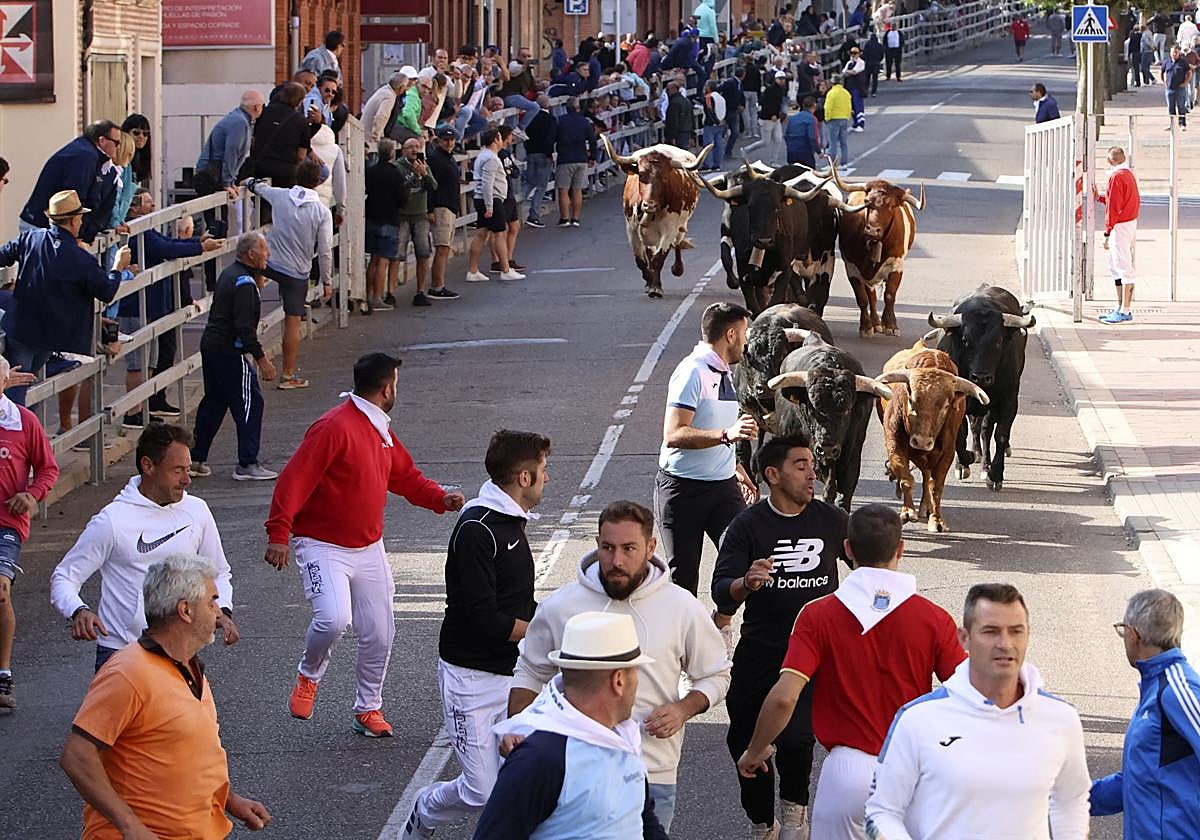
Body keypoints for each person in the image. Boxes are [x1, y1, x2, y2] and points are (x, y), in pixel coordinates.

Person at [265, 353, 465, 737]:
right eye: (396, 385)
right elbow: (293, 480)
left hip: (368, 547)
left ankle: (368, 707)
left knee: (380, 632)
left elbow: (404, 477)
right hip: (322, 546)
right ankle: (309, 675)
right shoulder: (333, 428)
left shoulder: (379, 428)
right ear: (387, 387)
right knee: (333, 618)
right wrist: (279, 534)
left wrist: (439, 498)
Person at [736, 504, 964, 839]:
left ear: (847, 549)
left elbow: (785, 697)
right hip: (911, 770)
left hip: (846, 774)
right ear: (900, 549)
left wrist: (755, 751)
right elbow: (969, 696)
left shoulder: (817, 615)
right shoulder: (934, 618)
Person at [508, 501, 732, 832]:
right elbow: (529, 670)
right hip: (574, 771)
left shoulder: (681, 607)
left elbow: (716, 674)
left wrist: (684, 708)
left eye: (629, 549)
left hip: (652, 773)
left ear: (650, 547)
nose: (616, 561)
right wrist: (517, 727)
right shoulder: (562, 606)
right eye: (607, 548)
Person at [402, 431, 551, 839]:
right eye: (543, 470)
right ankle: (424, 810)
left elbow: (518, 603)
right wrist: (543, 635)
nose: (546, 479)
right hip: (471, 678)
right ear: (523, 478)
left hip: (515, 676)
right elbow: (484, 617)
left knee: (522, 779)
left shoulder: (511, 523)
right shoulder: (477, 529)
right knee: (481, 790)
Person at [59, 555, 270, 838]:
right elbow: (76, 756)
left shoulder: (189, 667)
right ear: (185, 610)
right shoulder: (128, 673)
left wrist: (230, 800)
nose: (218, 613)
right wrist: (130, 825)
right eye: (211, 602)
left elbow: (186, 754)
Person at [864, 583, 1090, 839]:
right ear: (964, 638)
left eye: (1016, 631)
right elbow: (881, 812)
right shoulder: (918, 719)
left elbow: (1071, 800)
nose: (1005, 644)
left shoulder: (1061, 719)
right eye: (991, 631)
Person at [712, 434, 846, 840]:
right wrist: (745, 583)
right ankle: (761, 822)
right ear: (773, 474)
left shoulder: (830, 519)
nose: (812, 473)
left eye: (812, 464)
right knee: (744, 737)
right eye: (801, 465)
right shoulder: (747, 526)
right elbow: (721, 588)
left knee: (796, 737)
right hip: (762, 648)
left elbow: (869, 559)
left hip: (813, 652)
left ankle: (794, 814)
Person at [50, 423, 239, 671]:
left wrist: (222, 609)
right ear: (148, 466)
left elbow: (219, 572)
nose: (187, 479)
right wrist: (78, 611)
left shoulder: (197, 510)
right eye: (178, 470)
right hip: (122, 656)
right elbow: (64, 577)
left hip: (180, 653)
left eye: (188, 469)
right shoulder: (112, 521)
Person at [476, 612, 668, 839]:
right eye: (636, 673)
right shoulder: (541, 757)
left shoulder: (623, 740)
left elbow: (643, 821)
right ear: (619, 680)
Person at [656, 302, 758, 643]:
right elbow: (675, 434)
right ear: (730, 334)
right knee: (684, 582)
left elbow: (714, 424)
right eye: (744, 334)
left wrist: (736, 466)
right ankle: (684, 661)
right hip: (683, 491)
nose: (746, 342)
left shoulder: (725, 371)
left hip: (722, 488)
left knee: (746, 561)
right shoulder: (693, 372)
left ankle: (720, 624)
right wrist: (727, 435)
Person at [0, 190, 131, 405]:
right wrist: (117, 266)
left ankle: (21, 434)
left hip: (22, 328)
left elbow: (3, 255)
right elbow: (107, 291)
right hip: (52, 336)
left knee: (18, 387)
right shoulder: (79, 258)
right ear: (72, 221)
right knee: (22, 389)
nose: (81, 222)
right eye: (80, 217)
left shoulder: (31, 238)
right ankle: (20, 435)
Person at [1091, 589, 1200, 837]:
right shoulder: (1156, 688)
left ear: (1133, 635)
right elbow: (1137, 781)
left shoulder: (1177, 690)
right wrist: (1070, 798)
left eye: (1122, 630)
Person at [189, 232, 277, 481]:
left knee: (215, 403)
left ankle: (196, 458)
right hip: (230, 349)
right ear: (251, 254)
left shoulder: (230, 274)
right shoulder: (245, 283)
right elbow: (244, 328)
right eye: (264, 250)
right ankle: (247, 463)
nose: (268, 254)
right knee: (251, 404)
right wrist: (262, 360)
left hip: (211, 345)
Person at [0, 357, 58, 709]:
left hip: (6, 523)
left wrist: (31, 494)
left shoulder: (22, 421)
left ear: (5, 380)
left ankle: (3, 673)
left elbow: (48, 469)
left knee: (1, 592)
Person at [246, 158, 333, 388]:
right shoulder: (322, 212)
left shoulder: (281, 195)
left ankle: (257, 286)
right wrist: (326, 280)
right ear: (318, 182)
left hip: (271, 261)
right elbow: (325, 251)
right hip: (298, 271)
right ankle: (287, 374)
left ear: (297, 176)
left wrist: (249, 182)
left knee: (255, 273)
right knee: (293, 321)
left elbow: (258, 187)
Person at [18, 121, 121, 244]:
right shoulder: (85, 157)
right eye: (116, 143)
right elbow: (74, 199)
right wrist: (75, 237)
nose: (118, 147)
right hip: (43, 228)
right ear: (102, 140)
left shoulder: (88, 153)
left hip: (47, 227)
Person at [465, 129, 523, 283]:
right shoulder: (490, 158)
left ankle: (473, 270)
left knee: (482, 233)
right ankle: (505, 269)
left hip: (484, 198)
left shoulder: (484, 156)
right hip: (491, 199)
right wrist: (490, 206)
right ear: (495, 140)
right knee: (499, 232)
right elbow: (487, 183)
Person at [1096, 145, 1140, 324]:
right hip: (1129, 223)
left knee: (1121, 265)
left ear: (1109, 160)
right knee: (1117, 265)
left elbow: (1113, 206)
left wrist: (1107, 231)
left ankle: (1125, 309)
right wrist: (1100, 197)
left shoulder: (1116, 177)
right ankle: (1120, 307)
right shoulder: (1128, 175)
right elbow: (1120, 199)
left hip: (1120, 225)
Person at [394, 137, 438, 307]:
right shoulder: (398, 167)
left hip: (421, 216)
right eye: (410, 147)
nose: (414, 150)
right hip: (403, 216)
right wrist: (414, 176)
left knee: (423, 254)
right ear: (403, 150)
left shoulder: (424, 165)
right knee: (396, 255)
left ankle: (420, 291)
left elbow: (433, 186)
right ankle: (390, 292)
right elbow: (400, 190)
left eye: (417, 147)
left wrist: (424, 174)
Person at [426, 126, 463, 300]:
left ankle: (439, 284)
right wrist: (430, 209)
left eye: (451, 140)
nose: (449, 143)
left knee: (445, 248)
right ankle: (437, 286)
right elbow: (431, 186)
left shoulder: (448, 158)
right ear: (439, 140)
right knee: (442, 248)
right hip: (441, 206)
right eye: (446, 140)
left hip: (450, 205)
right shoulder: (436, 159)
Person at [553, 98, 596, 228]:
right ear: (578, 108)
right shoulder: (584, 122)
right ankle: (575, 218)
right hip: (581, 157)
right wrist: (592, 156)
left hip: (565, 157)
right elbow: (592, 140)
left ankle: (564, 218)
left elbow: (552, 137)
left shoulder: (560, 121)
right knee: (577, 189)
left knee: (563, 190)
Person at [522, 96, 557, 227]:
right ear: (547, 105)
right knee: (541, 186)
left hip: (531, 153)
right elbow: (551, 138)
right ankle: (533, 214)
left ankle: (515, 207)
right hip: (544, 154)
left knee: (529, 182)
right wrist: (549, 154)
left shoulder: (530, 118)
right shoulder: (550, 120)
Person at [362, 73, 411, 161]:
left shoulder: (383, 90)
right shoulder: (390, 96)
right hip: (370, 140)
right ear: (401, 87)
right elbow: (381, 116)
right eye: (405, 87)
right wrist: (376, 137)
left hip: (364, 133)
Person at [758, 71, 789, 167]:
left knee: (778, 139)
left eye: (783, 78)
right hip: (768, 118)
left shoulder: (781, 89)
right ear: (776, 79)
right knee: (765, 142)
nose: (782, 80)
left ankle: (773, 160)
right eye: (780, 78)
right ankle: (746, 150)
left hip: (776, 118)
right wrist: (771, 114)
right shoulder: (770, 90)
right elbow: (765, 103)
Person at [824, 75, 853, 166]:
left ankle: (832, 163)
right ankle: (844, 162)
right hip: (844, 118)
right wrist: (847, 116)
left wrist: (827, 118)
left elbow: (828, 107)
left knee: (833, 143)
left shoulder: (831, 93)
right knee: (843, 143)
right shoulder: (846, 92)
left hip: (833, 119)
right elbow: (849, 106)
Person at [785, 96, 821, 167]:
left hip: (791, 151)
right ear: (814, 106)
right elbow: (812, 138)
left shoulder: (792, 118)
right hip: (805, 152)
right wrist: (818, 152)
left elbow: (786, 135)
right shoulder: (812, 119)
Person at [719, 68, 747, 157]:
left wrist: (742, 105)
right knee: (722, 133)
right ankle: (718, 152)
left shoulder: (739, 84)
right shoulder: (730, 82)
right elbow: (721, 90)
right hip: (727, 111)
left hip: (734, 111)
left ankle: (728, 152)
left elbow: (741, 96)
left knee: (735, 132)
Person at [701, 80, 728, 171]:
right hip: (721, 123)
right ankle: (717, 164)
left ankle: (707, 164)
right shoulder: (721, 97)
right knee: (719, 145)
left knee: (708, 145)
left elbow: (709, 111)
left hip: (711, 124)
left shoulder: (708, 97)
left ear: (709, 87)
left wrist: (715, 121)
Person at [1162, 44, 1190, 132]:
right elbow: (1162, 72)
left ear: (1179, 53)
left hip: (1180, 88)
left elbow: (1189, 72)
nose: (1174, 54)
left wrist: (1185, 82)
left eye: (1176, 52)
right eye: (1173, 52)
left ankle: (1182, 124)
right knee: (1171, 107)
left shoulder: (1183, 62)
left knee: (1181, 106)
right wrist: (1163, 82)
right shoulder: (1167, 62)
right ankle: (1172, 124)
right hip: (1169, 88)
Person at [842, 47, 868, 132]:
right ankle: (855, 123)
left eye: (855, 53)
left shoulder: (861, 62)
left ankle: (861, 124)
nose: (853, 55)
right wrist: (849, 72)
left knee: (858, 105)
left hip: (857, 87)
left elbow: (855, 71)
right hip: (849, 87)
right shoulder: (849, 62)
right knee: (851, 106)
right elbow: (844, 72)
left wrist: (849, 72)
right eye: (852, 53)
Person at [862, 32, 884, 96]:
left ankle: (866, 90)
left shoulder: (867, 45)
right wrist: (878, 60)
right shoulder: (879, 45)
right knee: (875, 79)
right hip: (876, 63)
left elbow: (864, 53)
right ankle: (873, 92)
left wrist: (866, 60)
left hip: (868, 63)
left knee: (867, 78)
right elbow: (882, 55)